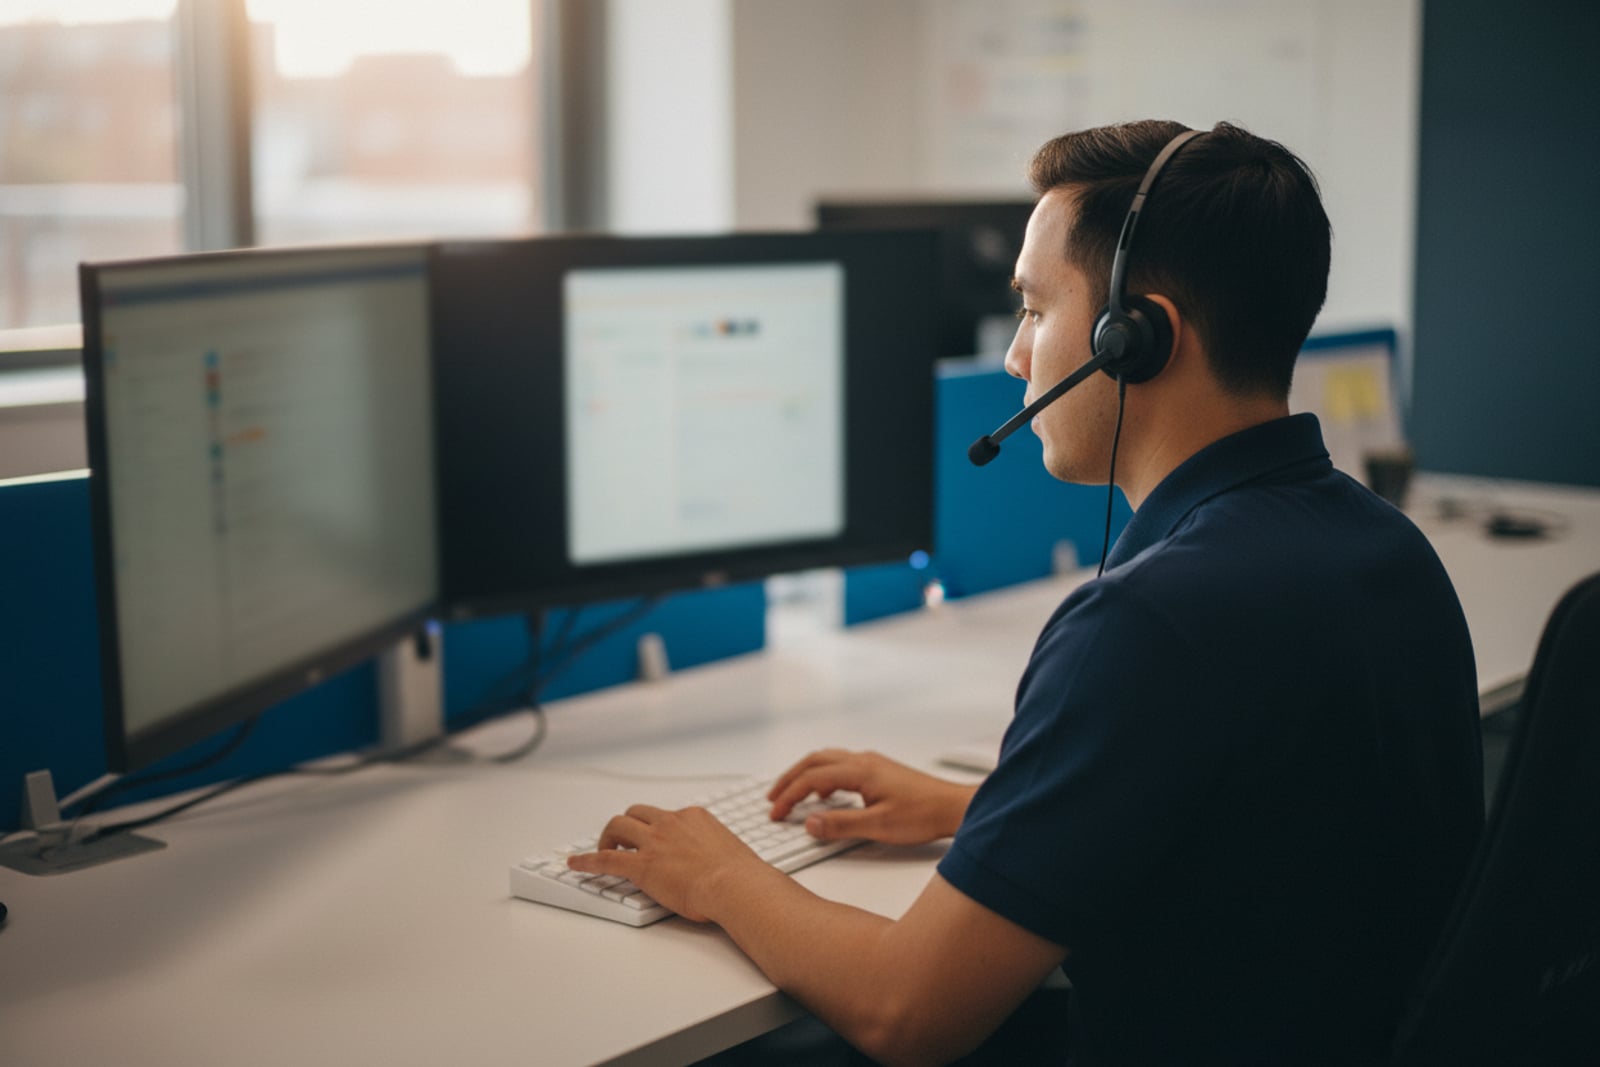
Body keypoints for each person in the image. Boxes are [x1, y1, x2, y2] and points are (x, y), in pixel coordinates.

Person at [569, 120, 1485, 1066]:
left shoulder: (1152, 619)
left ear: (1135, 338)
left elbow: (906, 1012)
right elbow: (1269, 822)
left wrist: (720, 872)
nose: (1014, 358)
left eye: (1035, 311)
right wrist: (985, 809)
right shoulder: (1385, 549)